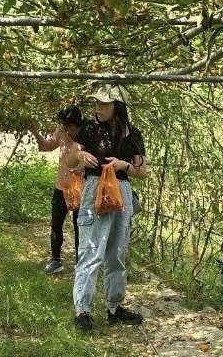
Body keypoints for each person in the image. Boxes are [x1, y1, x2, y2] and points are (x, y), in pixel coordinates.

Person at [67, 84, 147, 333]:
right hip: (95, 188)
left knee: (117, 253)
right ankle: (83, 311)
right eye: (97, 104)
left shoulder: (133, 135)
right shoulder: (89, 129)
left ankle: (115, 307)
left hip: (121, 192)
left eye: (104, 104)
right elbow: (70, 159)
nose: (98, 108)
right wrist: (80, 157)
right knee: (91, 252)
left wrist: (124, 165)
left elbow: (142, 171)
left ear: (118, 107)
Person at [29, 106, 84, 274]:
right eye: (63, 125)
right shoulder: (61, 132)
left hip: (81, 187)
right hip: (62, 186)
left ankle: (80, 263)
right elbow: (46, 146)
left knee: (80, 226)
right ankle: (55, 260)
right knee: (56, 223)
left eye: (68, 126)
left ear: (76, 124)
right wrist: (35, 132)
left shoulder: (87, 135)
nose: (65, 129)